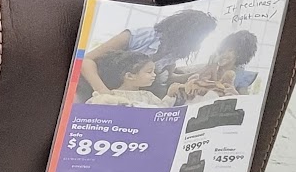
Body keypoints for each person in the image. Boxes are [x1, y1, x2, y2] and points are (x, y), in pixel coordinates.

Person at [79, 7, 216, 100]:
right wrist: (104, 92)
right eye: (199, 38)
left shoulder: (173, 53)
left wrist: (199, 73)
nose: (197, 45)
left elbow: (169, 78)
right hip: (98, 82)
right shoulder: (139, 36)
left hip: (130, 93)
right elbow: (85, 61)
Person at [86, 53, 171, 107]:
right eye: (149, 72)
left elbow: (162, 111)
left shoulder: (148, 96)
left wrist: (170, 96)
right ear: (130, 76)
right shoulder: (110, 96)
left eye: (154, 71)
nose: (154, 75)